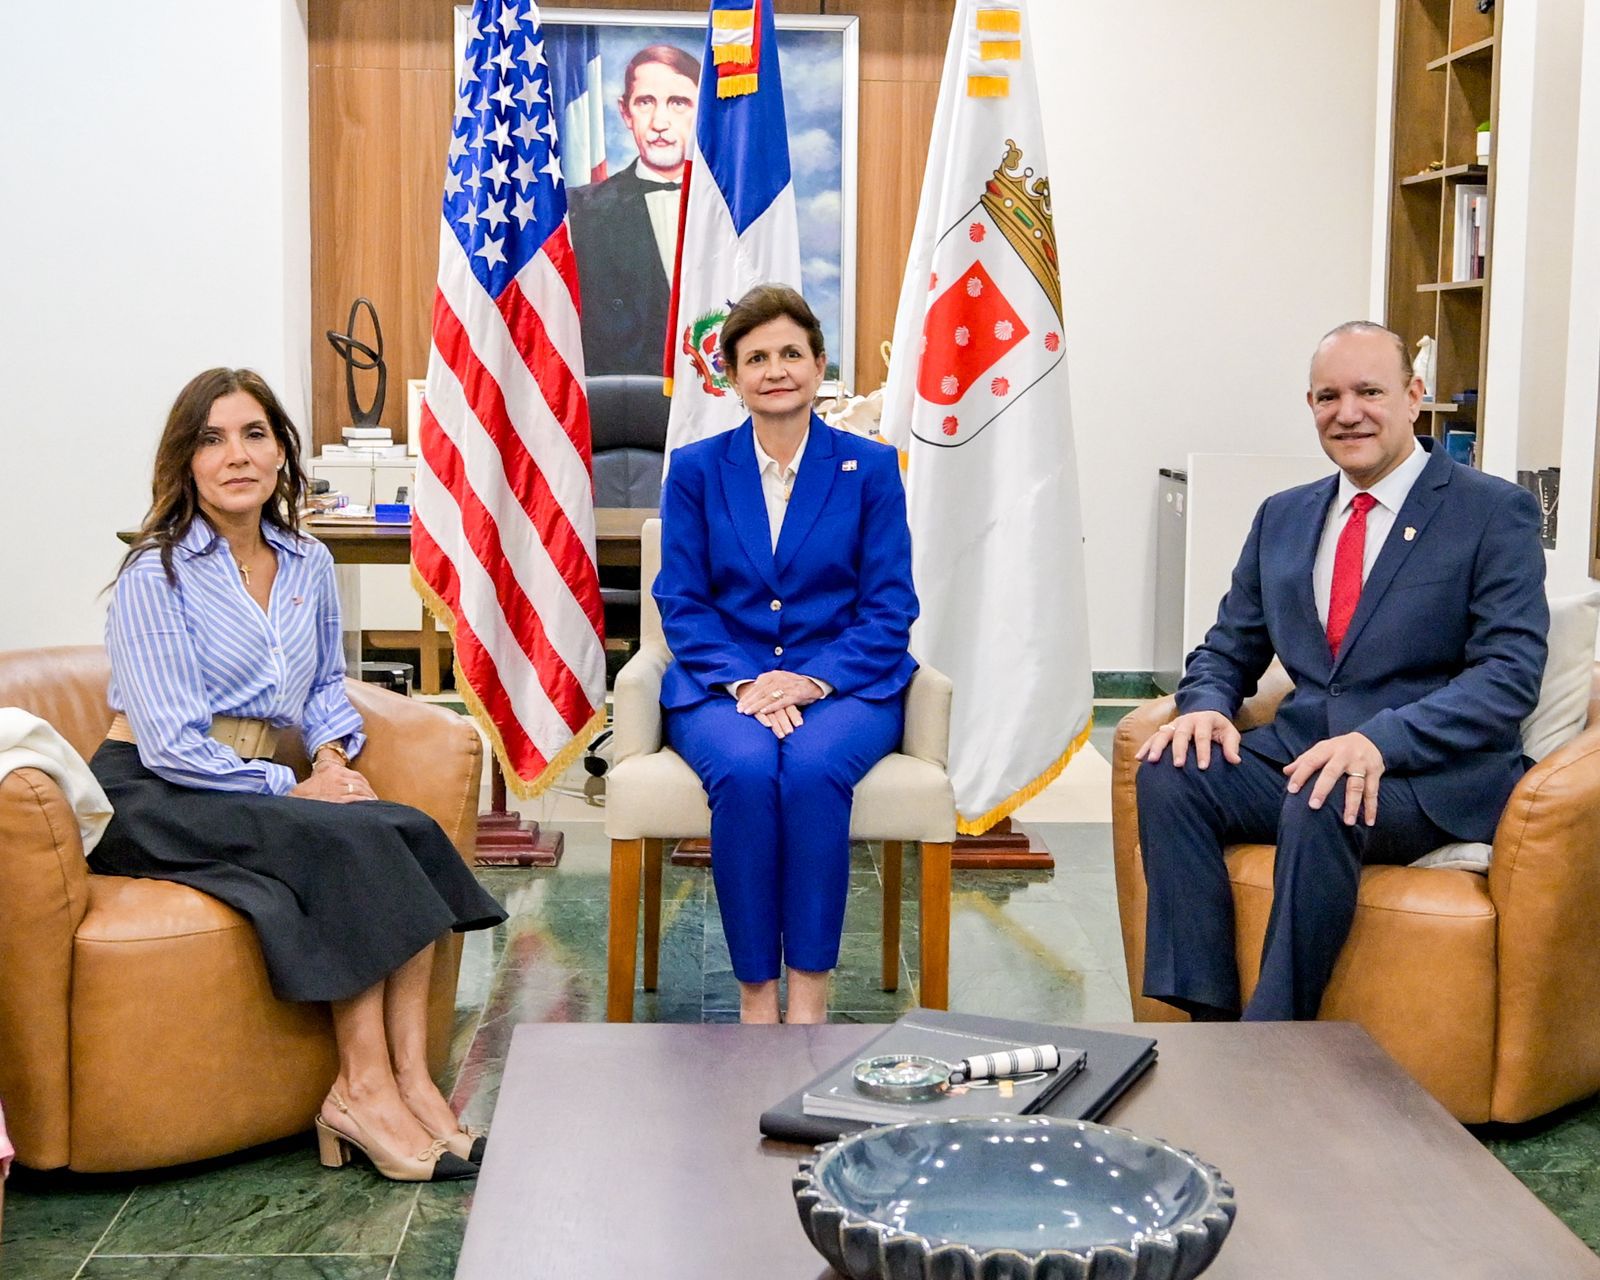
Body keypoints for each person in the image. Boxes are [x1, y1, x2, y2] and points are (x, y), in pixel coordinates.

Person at [90, 368, 507, 1182]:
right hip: (151, 789)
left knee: (407, 830)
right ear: (185, 461)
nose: (236, 455)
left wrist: (330, 757)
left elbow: (322, 685)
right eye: (211, 439)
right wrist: (294, 789)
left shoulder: (307, 559)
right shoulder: (157, 574)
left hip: (249, 779)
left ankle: (413, 1084)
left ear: (283, 450)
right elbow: (171, 743)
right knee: (346, 846)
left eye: (254, 434)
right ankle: (358, 1092)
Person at [1134, 322, 1548, 1022]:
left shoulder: (1491, 511)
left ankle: (1275, 1040)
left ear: (1414, 397)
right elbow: (1229, 645)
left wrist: (1381, 741)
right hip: (1303, 755)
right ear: (1311, 404)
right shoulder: (1284, 517)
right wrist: (1204, 702)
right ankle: (1205, 1019)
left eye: (1369, 392)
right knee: (1173, 771)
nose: (1347, 412)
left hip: (1428, 774)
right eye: (1329, 396)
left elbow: (1508, 676)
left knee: (1328, 793)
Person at [653, 285, 918, 1024]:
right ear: (733, 378)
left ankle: (809, 998)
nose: (776, 370)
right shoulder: (699, 471)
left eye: (791, 354)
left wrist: (809, 679)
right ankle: (754, 1000)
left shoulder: (870, 471)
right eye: (757, 357)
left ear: (820, 364)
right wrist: (746, 682)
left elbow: (890, 607)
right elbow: (682, 600)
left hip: (849, 686)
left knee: (808, 771)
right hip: (721, 687)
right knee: (741, 771)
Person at [568, 44, 700, 375]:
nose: (660, 122)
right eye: (645, 102)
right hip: (613, 411)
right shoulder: (579, 212)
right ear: (626, 113)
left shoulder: (736, 211)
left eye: (678, 103)